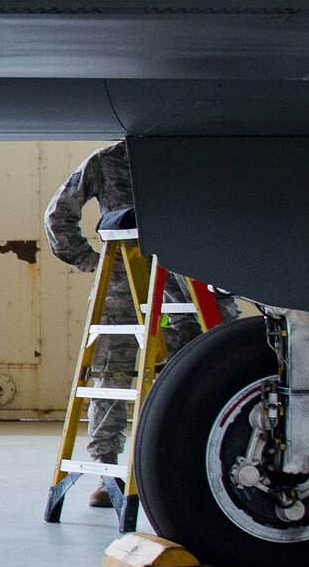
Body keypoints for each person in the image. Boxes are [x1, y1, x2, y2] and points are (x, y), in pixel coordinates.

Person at [44, 140, 227, 507]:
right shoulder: (109, 161)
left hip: (185, 284)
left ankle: (194, 467)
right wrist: (94, 263)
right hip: (131, 279)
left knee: (202, 371)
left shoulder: (192, 157)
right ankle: (108, 474)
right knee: (115, 378)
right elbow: (58, 216)